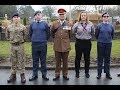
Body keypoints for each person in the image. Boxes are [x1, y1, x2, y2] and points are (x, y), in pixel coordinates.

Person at [72, 11, 95, 78]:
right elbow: (73, 31)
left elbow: (93, 32)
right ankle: (77, 72)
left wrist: (87, 36)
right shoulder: (76, 24)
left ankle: (87, 72)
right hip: (79, 42)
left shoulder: (90, 24)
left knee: (87, 58)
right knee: (78, 58)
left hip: (87, 43)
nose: (83, 16)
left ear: (86, 16)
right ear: (80, 16)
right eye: (82, 15)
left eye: (85, 15)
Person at [29, 11, 50, 81]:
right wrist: (34, 39)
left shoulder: (45, 24)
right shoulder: (32, 24)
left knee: (43, 60)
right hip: (34, 45)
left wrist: (43, 40)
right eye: (36, 15)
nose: (38, 16)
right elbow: (30, 34)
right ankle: (35, 74)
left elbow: (48, 34)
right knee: (35, 61)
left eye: (39, 15)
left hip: (43, 45)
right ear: (34, 16)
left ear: (41, 16)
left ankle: (44, 74)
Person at [51, 8, 72, 81]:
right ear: (58, 15)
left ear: (65, 15)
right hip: (57, 45)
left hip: (66, 46)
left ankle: (65, 74)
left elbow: (70, 35)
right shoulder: (54, 24)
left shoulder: (68, 23)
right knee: (57, 61)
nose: (61, 16)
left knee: (65, 62)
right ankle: (57, 74)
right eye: (60, 14)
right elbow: (52, 33)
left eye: (63, 14)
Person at [6, 13, 27, 83]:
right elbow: (7, 36)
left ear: (19, 18)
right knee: (13, 60)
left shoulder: (23, 27)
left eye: (17, 17)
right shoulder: (9, 27)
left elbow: (25, 36)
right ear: (12, 18)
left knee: (21, 60)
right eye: (14, 17)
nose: (16, 18)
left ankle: (22, 75)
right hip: (12, 46)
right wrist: (12, 41)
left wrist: (21, 41)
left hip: (20, 46)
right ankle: (13, 75)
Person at [95, 12, 115, 79]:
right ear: (102, 17)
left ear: (108, 17)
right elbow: (96, 35)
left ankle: (107, 73)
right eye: (104, 16)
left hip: (108, 44)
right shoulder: (99, 26)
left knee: (107, 59)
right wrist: (101, 40)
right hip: (100, 44)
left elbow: (112, 35)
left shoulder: (111, 26)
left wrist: (108, 40)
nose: (106, 17)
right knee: (100, 59)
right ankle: (99, 74)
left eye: (107, 16)